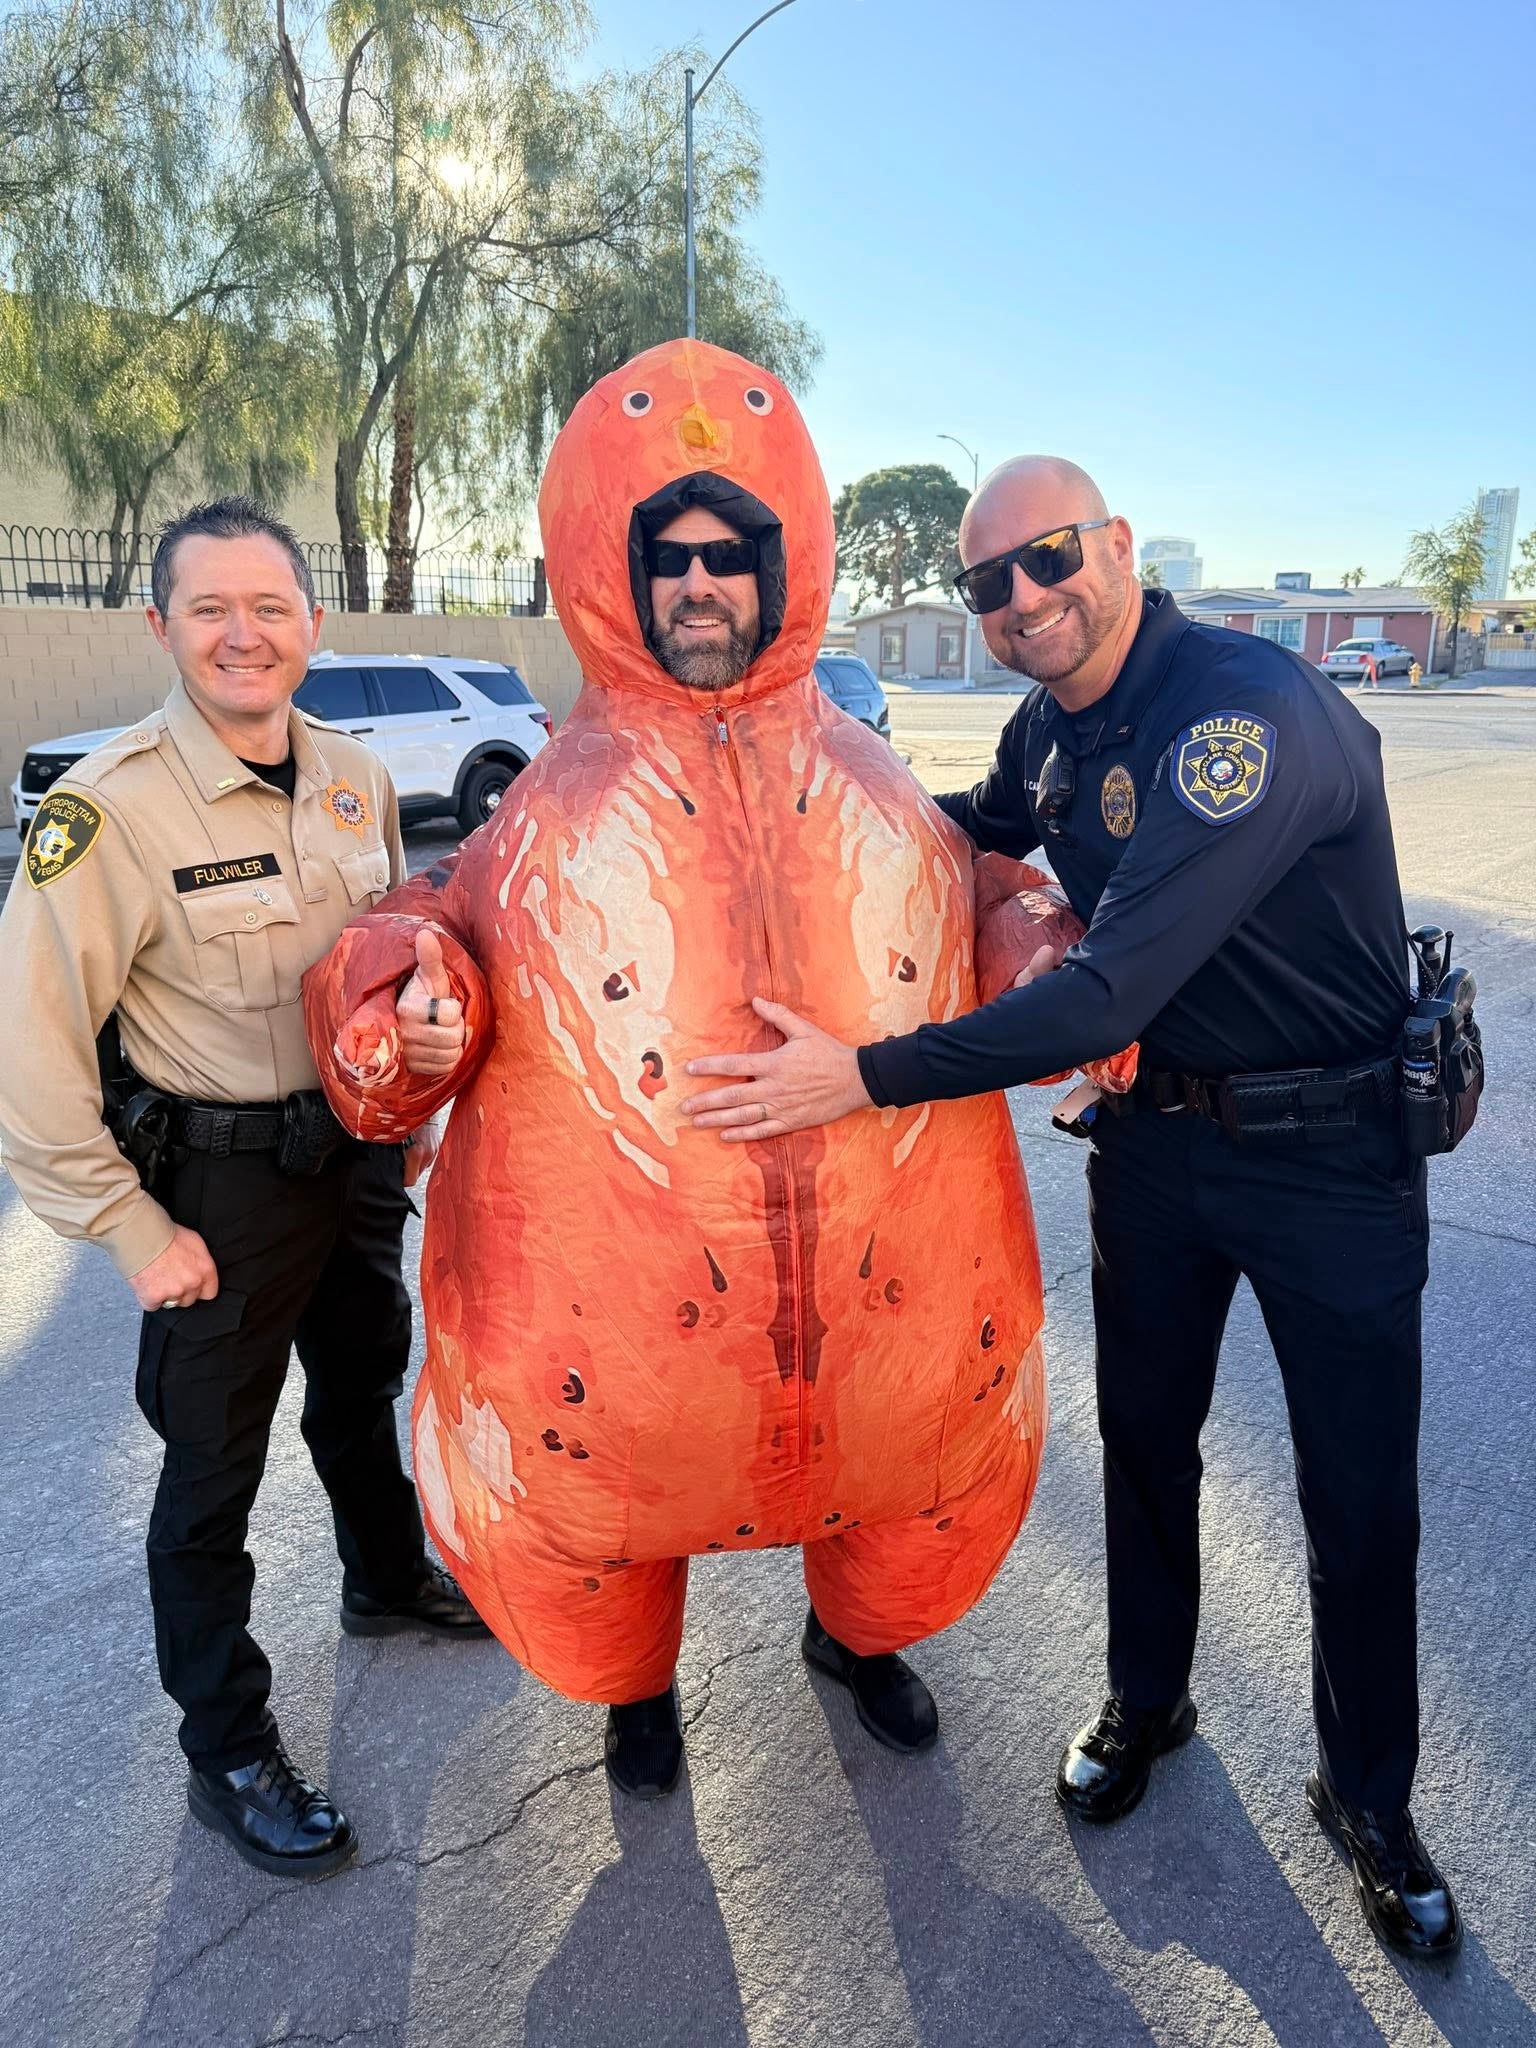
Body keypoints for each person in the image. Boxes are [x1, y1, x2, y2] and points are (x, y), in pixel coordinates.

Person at [302, 343, 1123, 1801]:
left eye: (730, 555)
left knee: (914, 1518)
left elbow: (982, 889)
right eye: (667, 556)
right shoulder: (544, 809)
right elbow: (427, 932)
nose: (699, 584)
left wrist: (1045, 958)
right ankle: (636, 1693)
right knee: (597, 1557)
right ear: (613, 568)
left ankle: (855, 1644)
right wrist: (401, 1005)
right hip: (609, 1361)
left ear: (781, 564)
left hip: (900, 1330)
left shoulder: (874, 778)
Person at [681, 456, 1460, 1960]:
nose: (1024, 601)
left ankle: (1370, 1799)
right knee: (1147, 1450)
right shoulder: (1053, 728)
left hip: (1329, 1162)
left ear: (1113, 548)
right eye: (990, 585)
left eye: (1047, 562)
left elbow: (1109, 990)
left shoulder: (1246, 718)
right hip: (1156, 1157)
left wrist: (863, 1074)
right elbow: (945, 826)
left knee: (1358, 1506)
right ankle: (1148, 1699)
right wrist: (774, 802)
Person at [0, 497, 487, 1883]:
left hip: (350, 1159)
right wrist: (130, 1229)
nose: (242, 634)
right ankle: (226, 1745)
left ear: (310, 626)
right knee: (211, 1476)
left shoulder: (351, 775)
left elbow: (398, 953)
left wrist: (432, 1051)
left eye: (269, 608)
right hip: (211, 1189)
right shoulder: (110, 810)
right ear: (161, 625)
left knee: (359, 1388)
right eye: (210, 608)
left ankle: (384, 1580)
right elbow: (29, 1058)